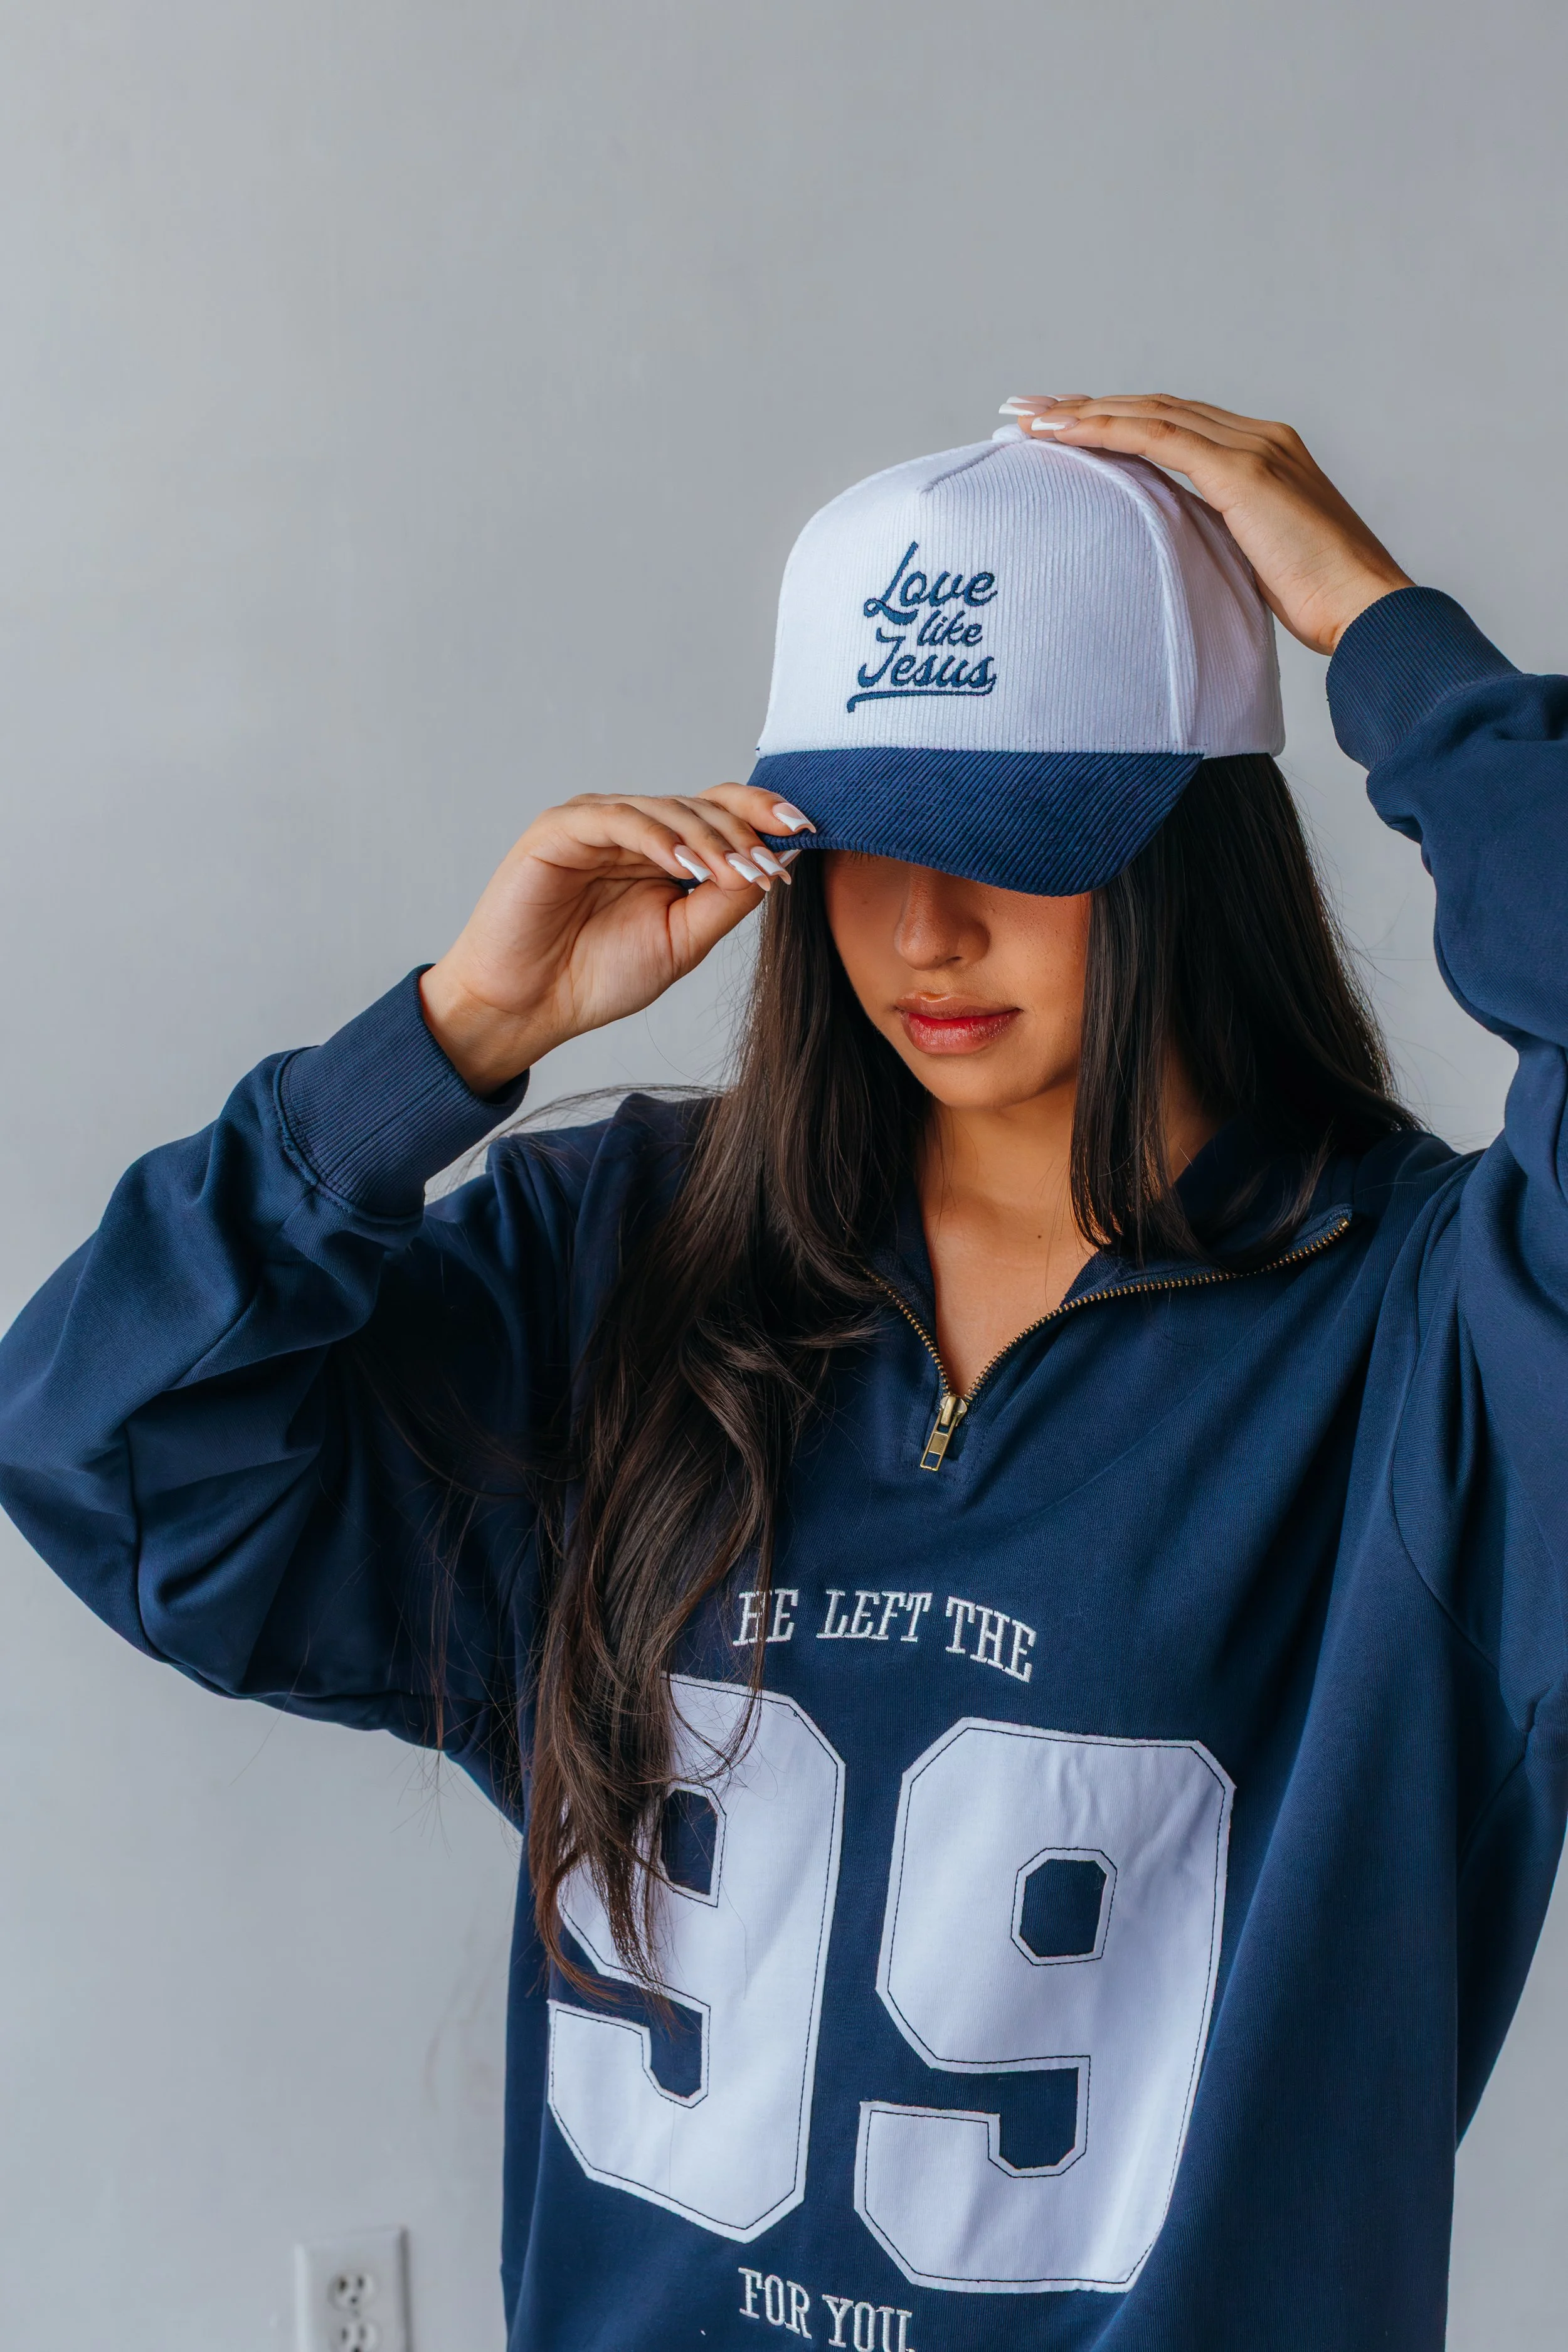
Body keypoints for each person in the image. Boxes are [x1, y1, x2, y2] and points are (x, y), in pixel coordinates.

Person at [0, 393, 1560, 2352]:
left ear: (1194, 843)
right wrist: (448, 1041)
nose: (921, 925)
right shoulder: (627, 1255)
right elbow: (100, 1441)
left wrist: (1389, 640)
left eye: (1014, 844)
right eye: (856, 841)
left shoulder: (1424, 1329)